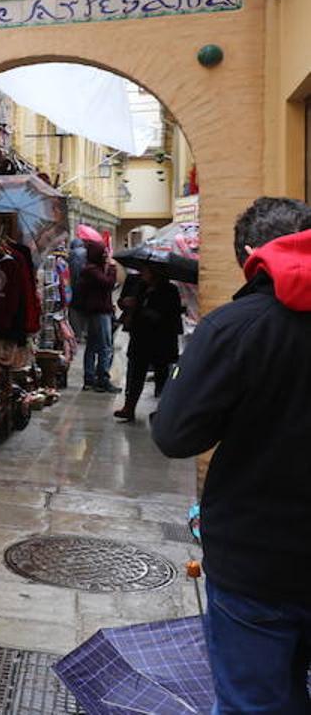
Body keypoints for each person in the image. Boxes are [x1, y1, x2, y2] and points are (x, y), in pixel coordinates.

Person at [152, 196, 311, 714]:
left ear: (249, 253)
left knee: (253, 702)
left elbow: (176, 435)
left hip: (257, 558)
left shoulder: (236, 326)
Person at [113, 263, 183, 423]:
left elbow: (170, 315)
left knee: (162, 375)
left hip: (160, 339)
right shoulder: (140, 286)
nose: (142, 273)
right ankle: (129, 407)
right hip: (140, 337)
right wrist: (126, 303)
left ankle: (163, 412)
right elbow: (125, 303)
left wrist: (144, 309)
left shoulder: (169, 291)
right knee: (136, 373)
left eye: (145, 271)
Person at [73, 239, 120, 393]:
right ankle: (102, 379)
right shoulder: (92, 270)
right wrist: (112, 268)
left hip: (98, 311)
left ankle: (90, 378)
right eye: (104, 252)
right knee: (105, 346)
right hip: (99, 312)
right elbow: (108, 284)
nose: (106, 254)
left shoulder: (93, 269)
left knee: (93, 345)